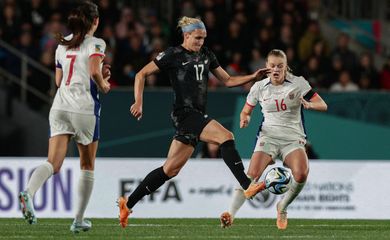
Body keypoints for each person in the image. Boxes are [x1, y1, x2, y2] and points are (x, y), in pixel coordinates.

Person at [117, 16, 270, 228]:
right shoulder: (173, 54)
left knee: (169, 170)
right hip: (185, 115)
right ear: (186, 35)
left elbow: (227, 80)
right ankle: (247, 185)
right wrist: (139, 101)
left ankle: (128, 203)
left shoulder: (207, 54)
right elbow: (141, 74)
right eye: (197, 38)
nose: (201, 42)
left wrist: (253, 76)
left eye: (203, 38)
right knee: (226, 136)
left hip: (196, 114)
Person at [18, 1, 110, 233]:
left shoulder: (62, 44)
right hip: (84, 109)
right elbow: (93, 72)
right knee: (87, 165)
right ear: (95, 21)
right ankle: (78, 221)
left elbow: (59, 82)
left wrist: (95, 75)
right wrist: (104, 84)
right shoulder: (96, 42)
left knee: (53, 163)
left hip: (59, 107)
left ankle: (28, 192)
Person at [220, 49, 327, 230]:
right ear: (267, 67)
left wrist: (310, 104)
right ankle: (230, 214)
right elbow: (246, 110)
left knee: (301, 174)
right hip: (268, 137)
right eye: (272, 66)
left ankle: (282, 207)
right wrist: (244, 117)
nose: (276, 69)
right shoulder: (259, 87)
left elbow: (323, 105)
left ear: (286, 67)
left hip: (293, 138)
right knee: (251, 176)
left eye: (280, 66)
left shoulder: (298, 83)